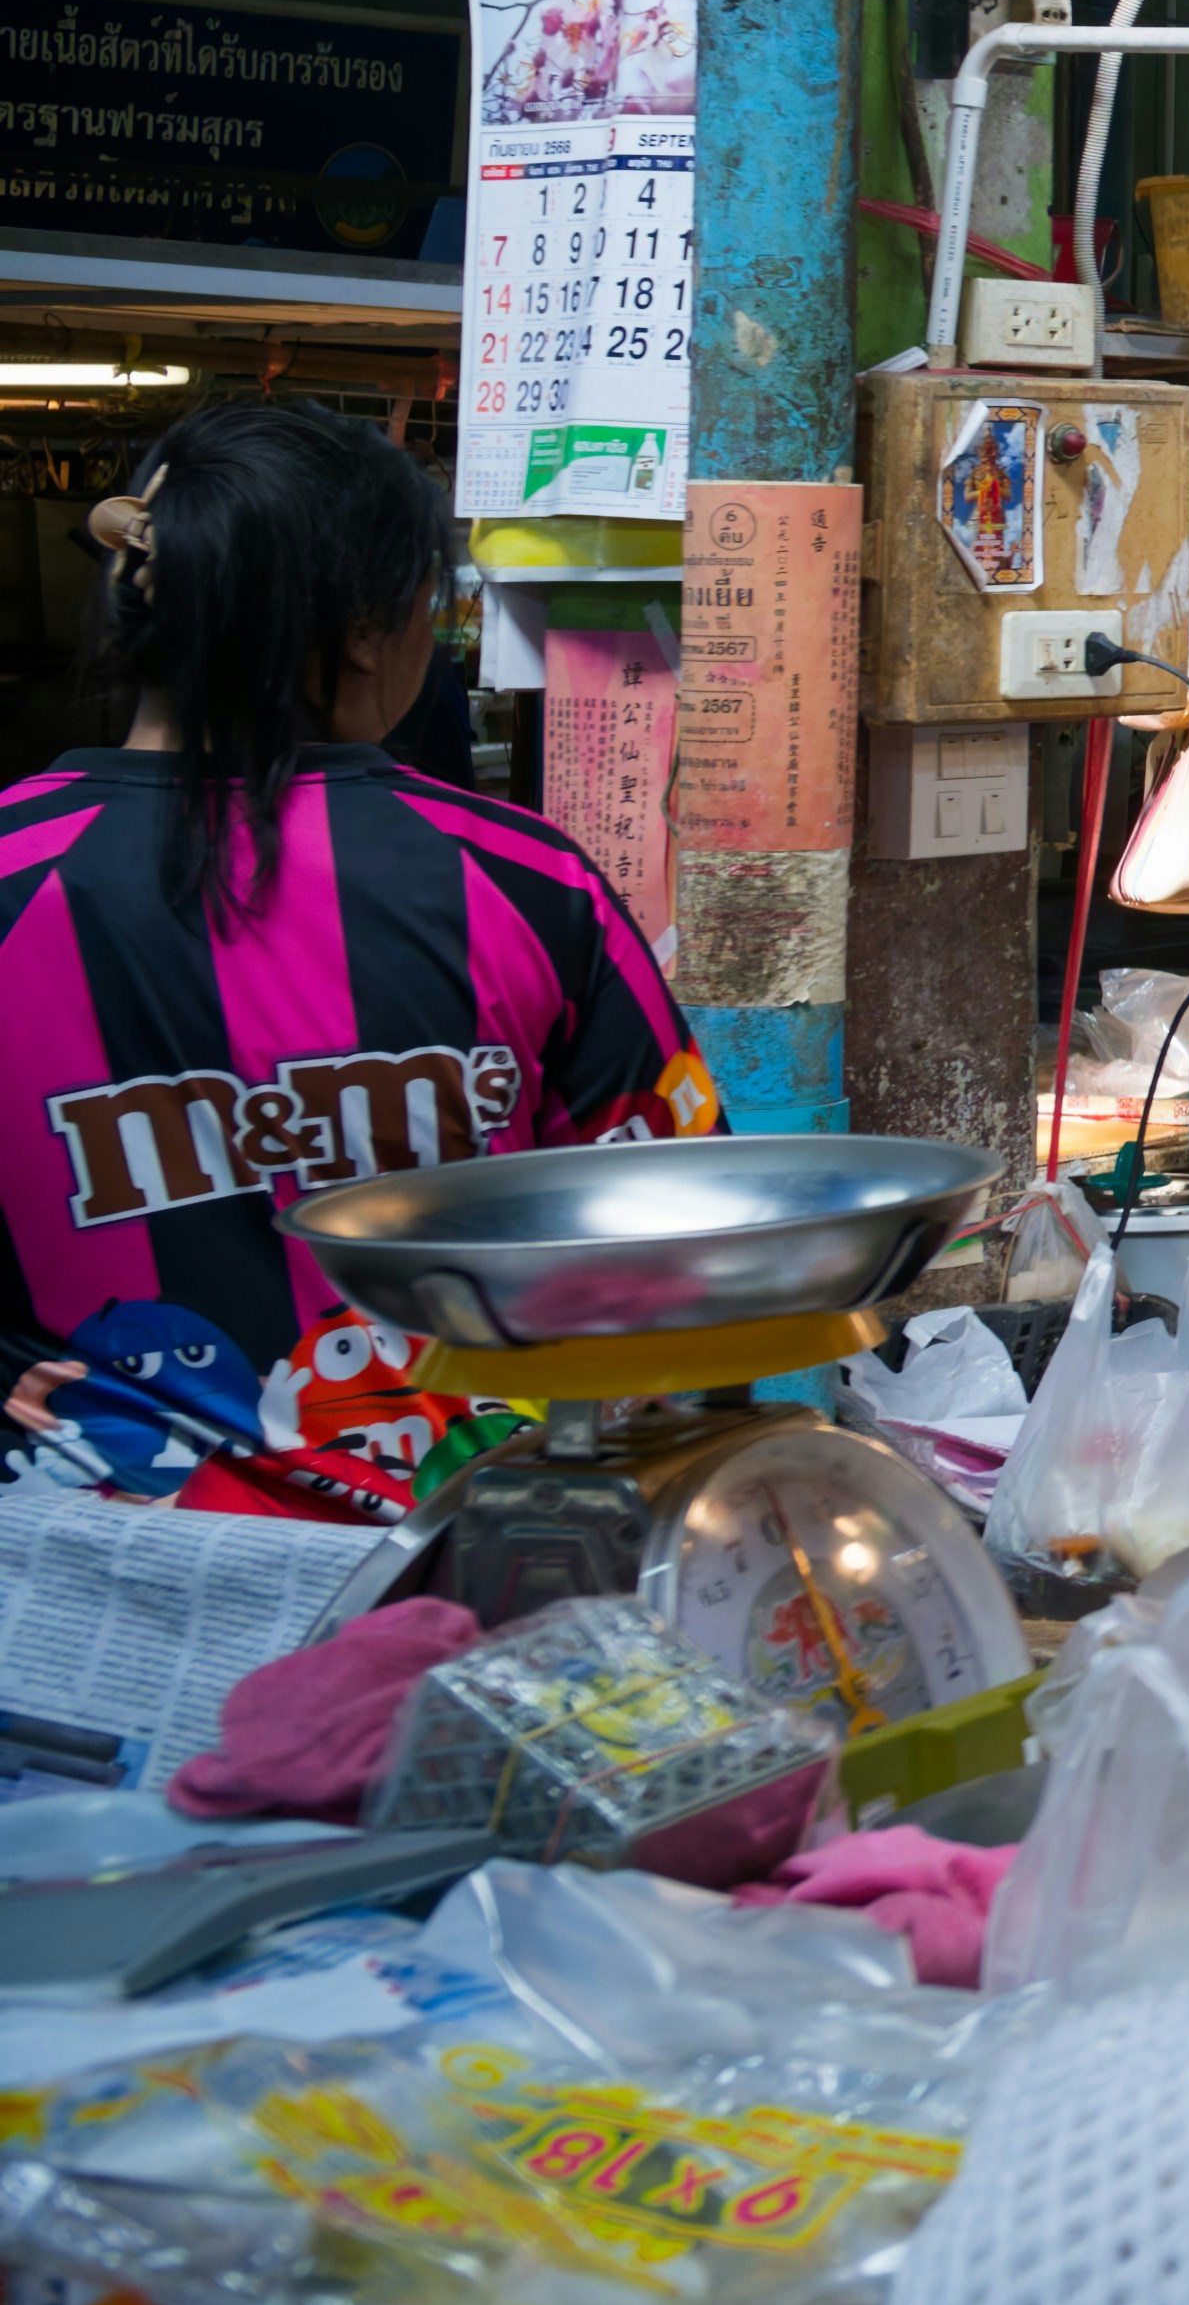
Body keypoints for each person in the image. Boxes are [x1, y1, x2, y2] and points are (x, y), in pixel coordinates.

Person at [0, 406, 707, 1510]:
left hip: (71, 1581)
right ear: (370, 629)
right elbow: (670, 1232)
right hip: (465, 1564)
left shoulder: (14, 879)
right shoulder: (520, 880)